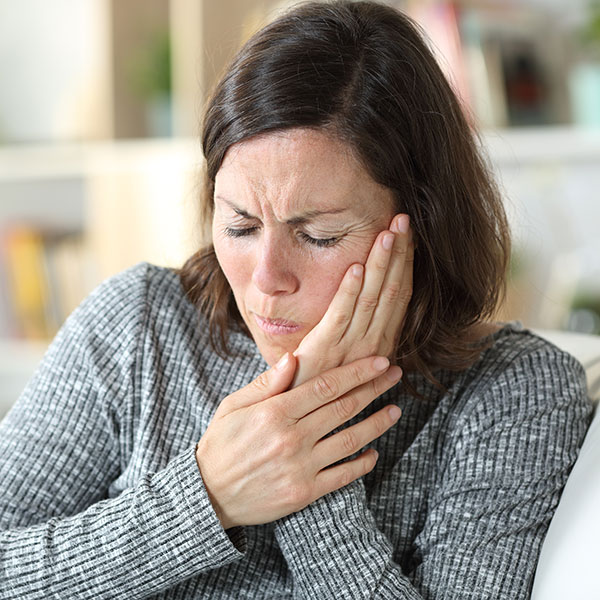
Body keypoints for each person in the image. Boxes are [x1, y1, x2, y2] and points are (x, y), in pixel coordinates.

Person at [0, 1, 592, 598]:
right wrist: (203, 497)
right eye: (239, 226)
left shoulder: (513, 391)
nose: (266, 277)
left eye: (318, 236)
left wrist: (305, 458)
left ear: (425, 226)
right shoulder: (138, 324)